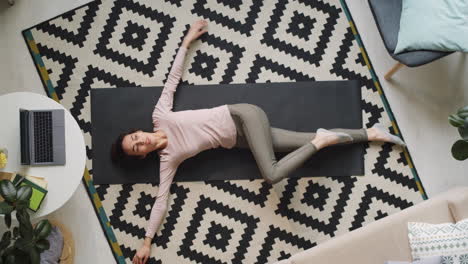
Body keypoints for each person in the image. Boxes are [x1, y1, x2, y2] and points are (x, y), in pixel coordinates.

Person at [110, 20, 406, 264]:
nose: (141, 142)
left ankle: (323, 140)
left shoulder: (160, 115)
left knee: (272, 174)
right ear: (140, 156)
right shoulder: (168, 160)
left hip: (244, 116)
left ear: (139, 131)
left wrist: (187, 40)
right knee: (304, 141)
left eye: (136, 137)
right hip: (245, 141)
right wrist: (146, 241)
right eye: (137, 147)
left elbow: (172, 79)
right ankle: (373, 133)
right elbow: (161, 200)